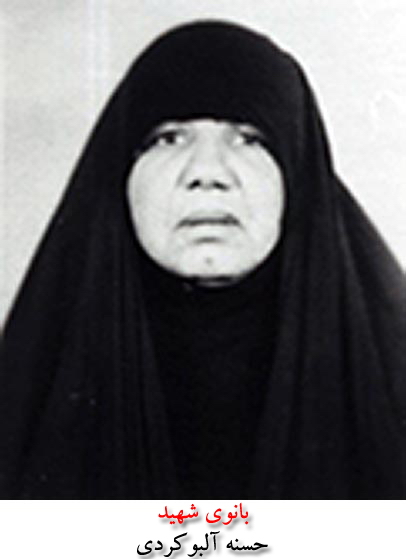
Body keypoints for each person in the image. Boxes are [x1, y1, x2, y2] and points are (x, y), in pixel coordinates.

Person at [0, 20, 404, 499]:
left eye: (250, 138)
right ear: (118, 174)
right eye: (168, 138)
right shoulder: (24, 406)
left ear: (299, 178)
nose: (207, 173)